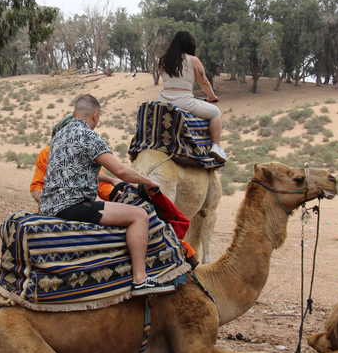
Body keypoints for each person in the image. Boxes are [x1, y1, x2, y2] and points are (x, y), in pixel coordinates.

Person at [39, 94, 175, 296]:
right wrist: (149, 182)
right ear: (95, 115)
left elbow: (75, 171)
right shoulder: (89, 136)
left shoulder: (59, 136)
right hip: (73, 207)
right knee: (139, 216)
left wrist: (110, 181)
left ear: (74, 113)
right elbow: (121, 171)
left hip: (48, 206)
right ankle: (140, 279)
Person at [157, 30, 227, 163]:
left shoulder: (163, 60)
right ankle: (216, 147)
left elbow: (165, 80)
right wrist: (212, 97)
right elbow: (204, 82)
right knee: (215, 113)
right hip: (184, 101)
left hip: (162, 100)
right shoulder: (193, 60)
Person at [30, 114, 119, 211]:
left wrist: (117, 197)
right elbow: (36, 186)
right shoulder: (47, 153)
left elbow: (102, 186)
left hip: (79, 209)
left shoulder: (85, 151)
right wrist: (52, 202)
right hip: (56, 210)